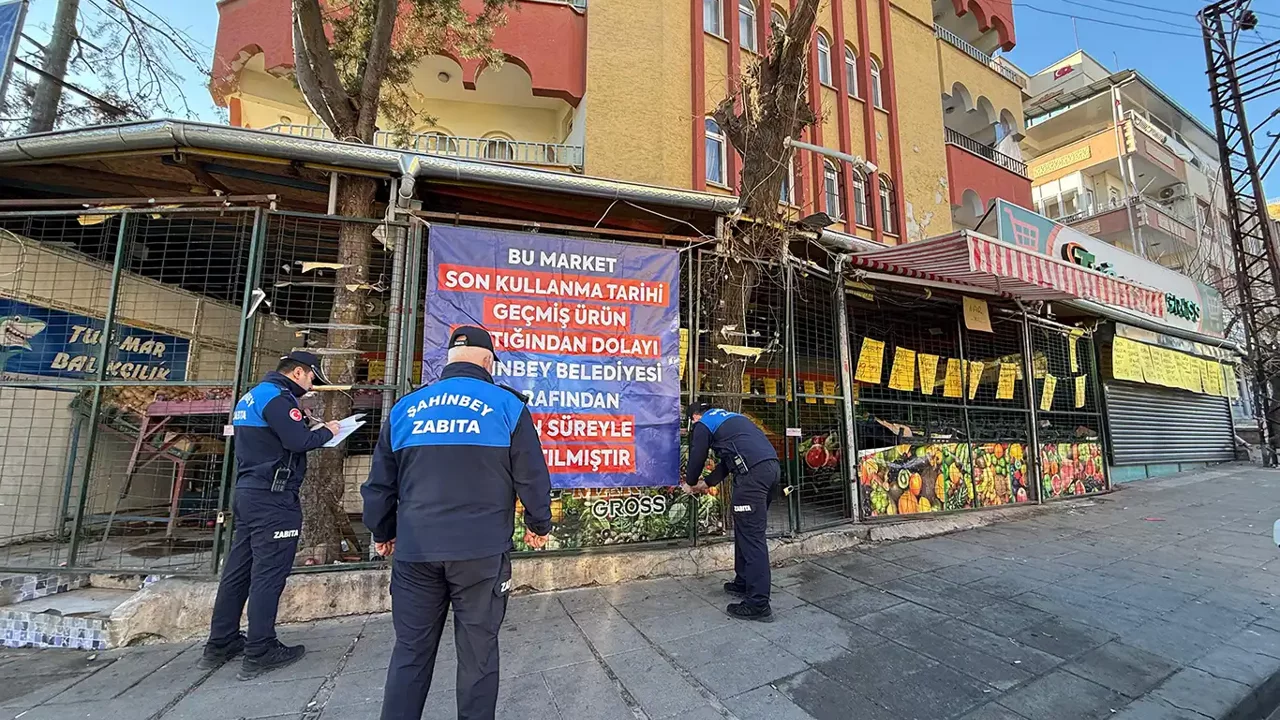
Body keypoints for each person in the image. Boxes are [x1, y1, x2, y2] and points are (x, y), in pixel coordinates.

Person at [362, 325, 552, 720]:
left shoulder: (406, 408)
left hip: (416, 550)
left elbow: (380, 482)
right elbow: (532, 477)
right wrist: (539, 525)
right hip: (480, 552)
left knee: (410, 652)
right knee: (478, 655)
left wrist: (383, 531)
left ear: (449, 359)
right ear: (487, 361)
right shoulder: (507, 406)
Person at [200, 351, 342, 679]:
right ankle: (261, 649)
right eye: (311, 378)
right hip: (273, 498)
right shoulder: (279, 398)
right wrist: (329, 430)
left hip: (248, 492)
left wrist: (305, 422)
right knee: (269, 574)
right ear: (298, 372)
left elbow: (272, 438)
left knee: (238, 571)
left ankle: (221, 642)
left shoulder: (253, 396)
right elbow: (298, 441)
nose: (311, 385)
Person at [683, 401, 781, 622]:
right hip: (771, 469)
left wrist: (690, 482)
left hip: (752, 476)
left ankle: (758, 604)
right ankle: (743, 581)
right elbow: (728, 463)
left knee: (753, 537)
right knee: (745, 530)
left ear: (694, 417)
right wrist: (706, 483)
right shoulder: (732, 419)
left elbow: (697, 455)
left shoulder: (703, 423)